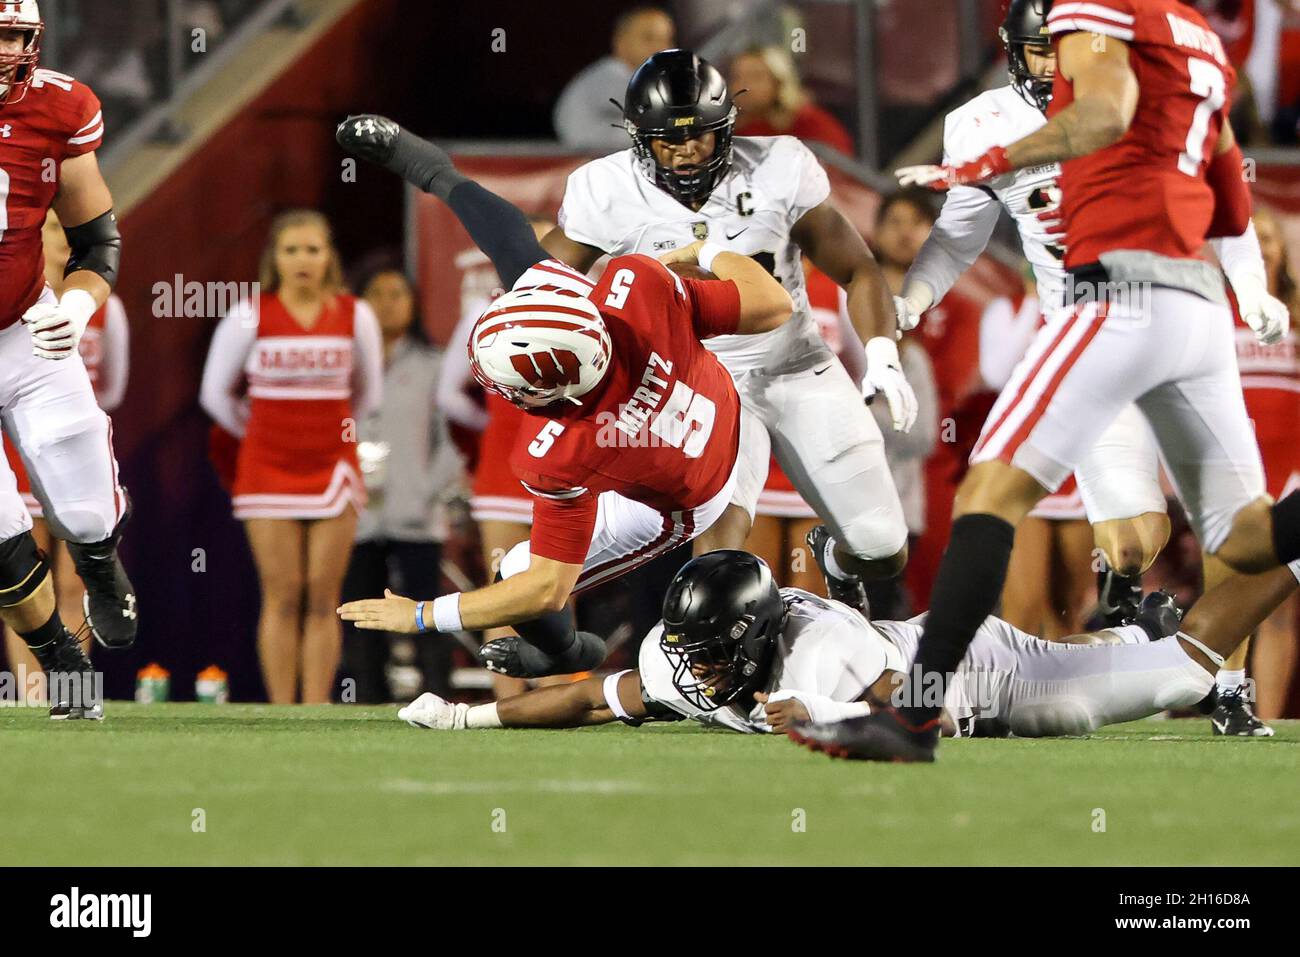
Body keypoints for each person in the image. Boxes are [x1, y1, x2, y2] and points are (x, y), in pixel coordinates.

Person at [795, 0, 1299, 761]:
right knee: (1251, 534)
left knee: (987, 494)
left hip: (1113, 298)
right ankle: (1122, 615)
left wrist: (991, 161)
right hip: (1190, 305)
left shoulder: (1097, 20)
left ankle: (916, 719)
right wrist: (914, 298)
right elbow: (1227, 173)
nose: (1057, 59)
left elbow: (1101, 109)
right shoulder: (1192, 35)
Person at [333, 114, 791, 679]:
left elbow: (545, 590)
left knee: (524, 573)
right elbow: (774, 303)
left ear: (537, 398)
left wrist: (424, 614)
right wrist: (707, 251)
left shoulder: (558, 451)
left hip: (693, 500)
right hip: (738, 412)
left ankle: (568, 654)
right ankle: (580, 654)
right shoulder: (639, 290)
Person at [540, 50, 914, 617]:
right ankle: (717, 681)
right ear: (640, 137)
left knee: (883, 550)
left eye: (701, 136)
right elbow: (546, 281)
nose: (687, 151)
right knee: (719, 543)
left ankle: (835, 561)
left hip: (795, 365)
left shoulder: (779, 167)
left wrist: (882, 352)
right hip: (699, 384)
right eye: (669, 139)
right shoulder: (604, 189)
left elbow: (858, 268)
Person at [396, 549, 1296, 738]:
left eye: (716, 649)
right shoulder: (685, 655)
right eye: (693, 648)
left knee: (1183, 671)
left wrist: (825, 710)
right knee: (1133, 656)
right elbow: (595, 694)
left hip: (982, 672)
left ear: (756, 634)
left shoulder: (818, 647)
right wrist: (472, 718)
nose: (698, 668)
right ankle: (1138, 627)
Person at [0, 0, 137, 720]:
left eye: (11, 35)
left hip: (25, 329)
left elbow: (96, 242)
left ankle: (100, 567)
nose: (0, 50)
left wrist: (76, 307)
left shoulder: (58, 106)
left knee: (82, 503)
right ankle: (65, 668)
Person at [200, 209, 382, 704]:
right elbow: (215, 396)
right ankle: (284, 709)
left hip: (335, 468)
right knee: (282, 594)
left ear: (330, 258)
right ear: (274, 258)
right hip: (266, 470)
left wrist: (334, 431)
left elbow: (368, 393)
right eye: (291, 250)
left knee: (323, 597)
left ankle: (317, 705)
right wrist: (260, 433)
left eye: (314, 249)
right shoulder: (248, 314)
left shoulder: (356, 314)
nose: (303, 260)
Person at [2, 211, 130, 696]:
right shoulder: (8, 304)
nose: (50, 238)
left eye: (58, 228)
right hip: (12, 451)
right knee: (23, 572)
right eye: (43, 228)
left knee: (77, 578)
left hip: (65, 442)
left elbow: (112, 386)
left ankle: (73, 689)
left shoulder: (100, 306)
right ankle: (31, 691)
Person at [339, 268, 461, 703]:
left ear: (413, 305)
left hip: (418, 513)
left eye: (398, 294)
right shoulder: (342, 361)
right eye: (376, 292)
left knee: (427, 611)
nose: (387, 302)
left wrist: (429, 490)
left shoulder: (435, 364)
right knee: (360, 613)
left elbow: (453, 439)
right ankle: (365, 700)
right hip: (354, 516)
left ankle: (438, 697)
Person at [1232, 204, 1300, 723]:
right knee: (1231, 593)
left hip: (1289, 475)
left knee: (1279, 606)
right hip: (1233, 472)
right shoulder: (1213, 311)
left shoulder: (1298, 318)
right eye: (1253, 238)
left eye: (1272, 238)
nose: (1264, 247)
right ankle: (1229, 702)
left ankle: (1270, 718)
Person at [553, 6, 675, 151]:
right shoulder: (605, 80)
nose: (660, 47)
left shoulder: (644, 80)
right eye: (648, 38)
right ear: (620, 42)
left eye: (666, 40)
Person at [729, 46, 854, 155]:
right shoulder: (729, 128)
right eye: (737, 77)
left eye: (756, 77)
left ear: (779, 82)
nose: (743, 85)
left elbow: (836, 173)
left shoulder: (809, 123)